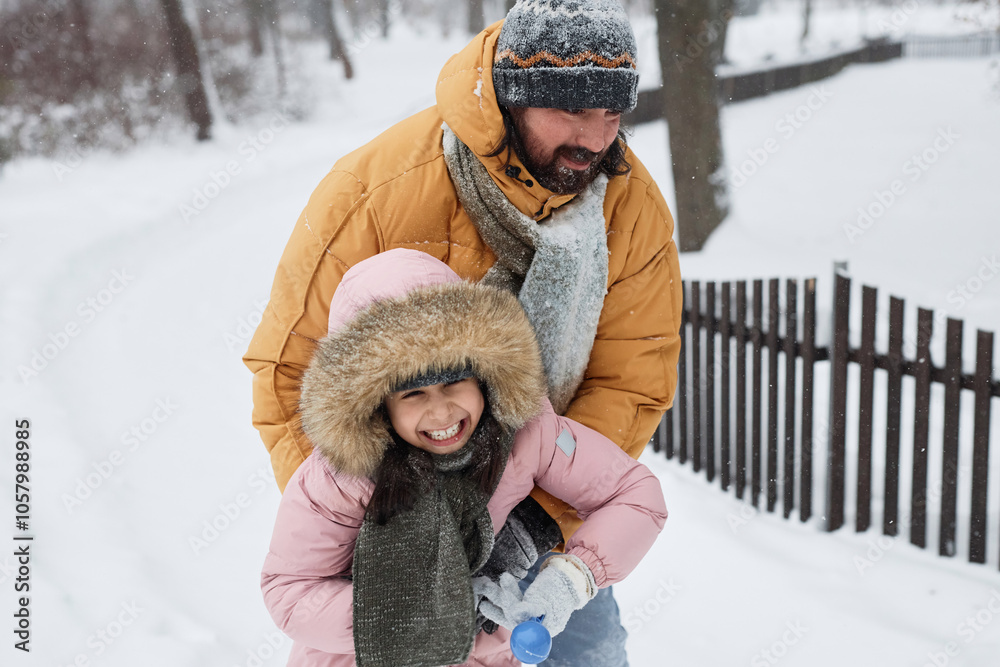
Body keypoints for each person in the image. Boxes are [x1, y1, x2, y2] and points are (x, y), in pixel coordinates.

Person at [244, 0, 683, 662]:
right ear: (512, 99)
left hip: (544, 508)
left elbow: (633, 377)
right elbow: (291, 374)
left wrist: (533, 525)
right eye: (572, 110)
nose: (596, 138)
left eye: (612, 112)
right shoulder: (377, 191)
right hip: (396, 528)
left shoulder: (630, 206)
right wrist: (388, 533)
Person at [260, 249, 667, 667]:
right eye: (413, 393)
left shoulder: (525, 433)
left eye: (454, 381)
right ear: (378, 404)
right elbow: (290, 591)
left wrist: (572, 578)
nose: (441, 413)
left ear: (482, 372)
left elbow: (634, 495)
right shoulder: (341, 479)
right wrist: (426, 614)